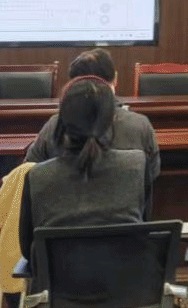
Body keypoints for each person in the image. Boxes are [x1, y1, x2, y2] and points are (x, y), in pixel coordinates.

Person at [19, 78, 147, 279]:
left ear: (61, 120)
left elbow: (28, 250)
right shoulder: (136, 165)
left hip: (58, 291)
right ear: (110, 120)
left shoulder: (37, 176)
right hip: (126, 289)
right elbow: (143, 228)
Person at [24, 48, 160, 197]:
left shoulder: (55, 125)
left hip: (63, 209)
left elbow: (29, 173)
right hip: (126, 210)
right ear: (115, 79)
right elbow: (151, 176)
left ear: (73, 85)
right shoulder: (140, 125)